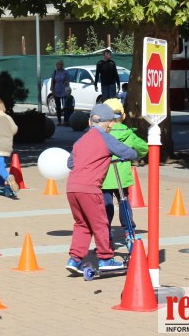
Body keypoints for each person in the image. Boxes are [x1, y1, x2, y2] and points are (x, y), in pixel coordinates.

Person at [66, 103, 137, 274]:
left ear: (90, 122)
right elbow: (129, 153)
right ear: (110, 123)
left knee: (82, 224)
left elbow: (70, 163)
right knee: (100, 223)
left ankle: (75, 259)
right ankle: (105, 259)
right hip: (90, 189)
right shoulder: (106, 138)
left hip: (72, 188)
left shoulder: (80, 141)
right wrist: (120, 157)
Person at [101, 98, 148, 246]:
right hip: (121, 176)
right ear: (124, 116)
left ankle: (105, 234)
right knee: (123, 202)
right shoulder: (128, 134)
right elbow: (143, 148)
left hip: (103, 177)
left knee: (106, 205)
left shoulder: (100, 134)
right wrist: (135, 155)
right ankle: (129, 231)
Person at [51, 60, 70, 126]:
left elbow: (68, 80)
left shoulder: (65, 72)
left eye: (61, 64)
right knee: (58, 107)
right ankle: (59, 121)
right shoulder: (55, 72)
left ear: (62, 65)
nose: (59, 65)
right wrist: (52, 90)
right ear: (56, 65)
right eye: (58, 64)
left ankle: (65, 121)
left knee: (65, 106)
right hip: (56, 90)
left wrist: (67, 88)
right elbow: (53, 81)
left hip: (64, 90)